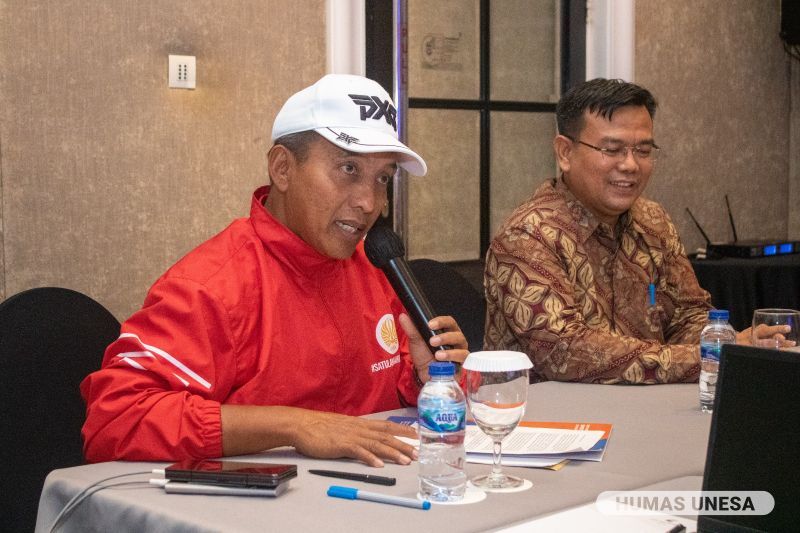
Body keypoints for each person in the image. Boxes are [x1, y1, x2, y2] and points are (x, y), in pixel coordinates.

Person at [81, 74, 468, 467]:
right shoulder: (211, 286)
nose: (370, 203)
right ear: (283, 169)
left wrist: (426, 377)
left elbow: (398, 396)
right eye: (349, 168)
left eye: (382, 178)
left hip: (379, 491)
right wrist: (294, 425)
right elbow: (115, 419)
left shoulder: (374, 268)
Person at [484, 78, 776, 384]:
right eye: (612, 149)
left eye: (643, 150)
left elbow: (687, 316)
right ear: (565, 153)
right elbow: (565, 352)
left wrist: (727, 343)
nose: (630, 165)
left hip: (650, 403)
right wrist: (707, 356)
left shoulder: (653, 221)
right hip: (550, 411)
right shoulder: (528, 236)